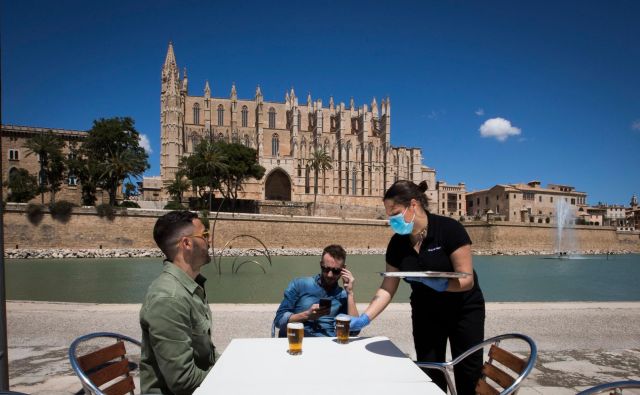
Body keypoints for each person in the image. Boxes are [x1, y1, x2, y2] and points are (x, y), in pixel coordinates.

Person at [349, 180, 486, 395]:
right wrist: (366, 318)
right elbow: (388, 286)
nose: (391, 219)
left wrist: (441, 285)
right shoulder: (397, 243)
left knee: (468, 370)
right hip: (426, 312)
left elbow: (466, 280)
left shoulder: (450, 230)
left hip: (464, 309)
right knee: (430, 370)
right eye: (388, 214)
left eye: (394, 212)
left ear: (413, 205)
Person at [140, 210, 216, 394]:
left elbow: (205, 357)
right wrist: (231, 373)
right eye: (205, 235)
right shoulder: (169, 299)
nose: (209, 240)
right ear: (187, 243)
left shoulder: (190, 287)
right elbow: (183, 381)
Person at [273, 244, 358, 337]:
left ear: (344, 269)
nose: (330, 275)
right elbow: (278, 320)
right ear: (321, 264)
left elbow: (355, 331)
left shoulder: (343, 295)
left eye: (336, 271)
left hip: (326, 345)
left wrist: (350, 293)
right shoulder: (300, 284)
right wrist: (306, 315)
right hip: (298, 340)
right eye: (326, 269)